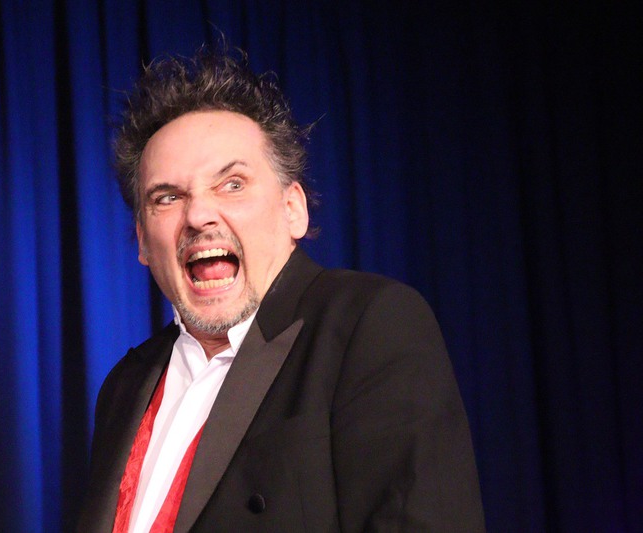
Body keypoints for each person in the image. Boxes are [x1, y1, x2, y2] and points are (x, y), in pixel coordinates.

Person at [78, 47, 485, 532]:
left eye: (232, 184)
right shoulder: (125, 386)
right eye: (168, 197)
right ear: (144, 240)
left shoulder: (369, 326)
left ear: (294, 209)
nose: (198, 215)